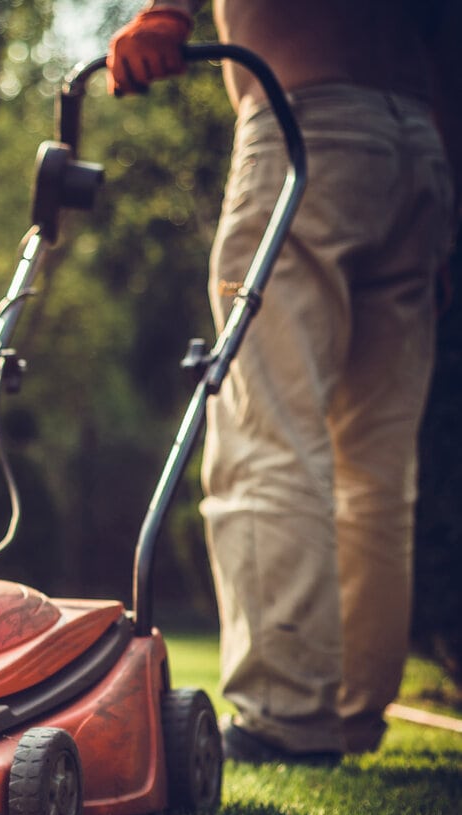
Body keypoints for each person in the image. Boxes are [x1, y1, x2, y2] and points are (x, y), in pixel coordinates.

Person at [107, 0, 461, 763]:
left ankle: (285, 715)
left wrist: (165, 13)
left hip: (307, 122)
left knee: (266, 434)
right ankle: (354, 712)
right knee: (375, 470)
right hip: (419, 153)